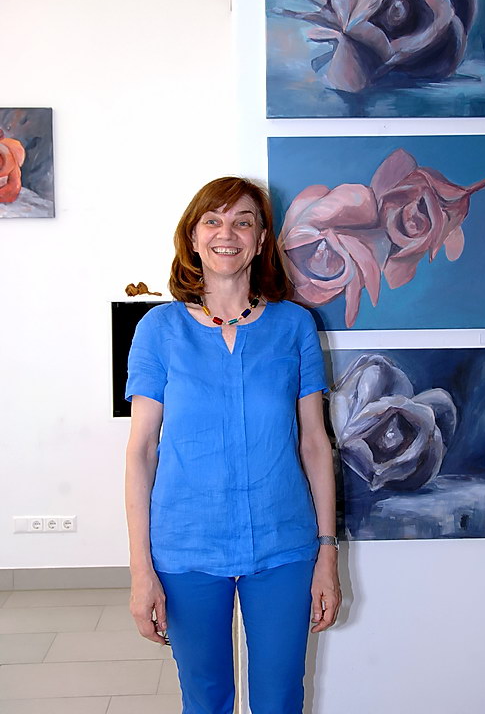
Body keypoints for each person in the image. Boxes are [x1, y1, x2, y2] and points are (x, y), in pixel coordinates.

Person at [125, 176, 341, 714]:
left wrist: (328, 551)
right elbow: (141, 451)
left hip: (284, 544)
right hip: (186, 547)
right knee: (205, 700)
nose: (228, 233)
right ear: (193, 237)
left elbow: (315, 444)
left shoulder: (294, 326)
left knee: (280, 698)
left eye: (243, 222)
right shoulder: (159, 329)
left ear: (261, 239)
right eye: (213, 221)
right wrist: (140, 570)